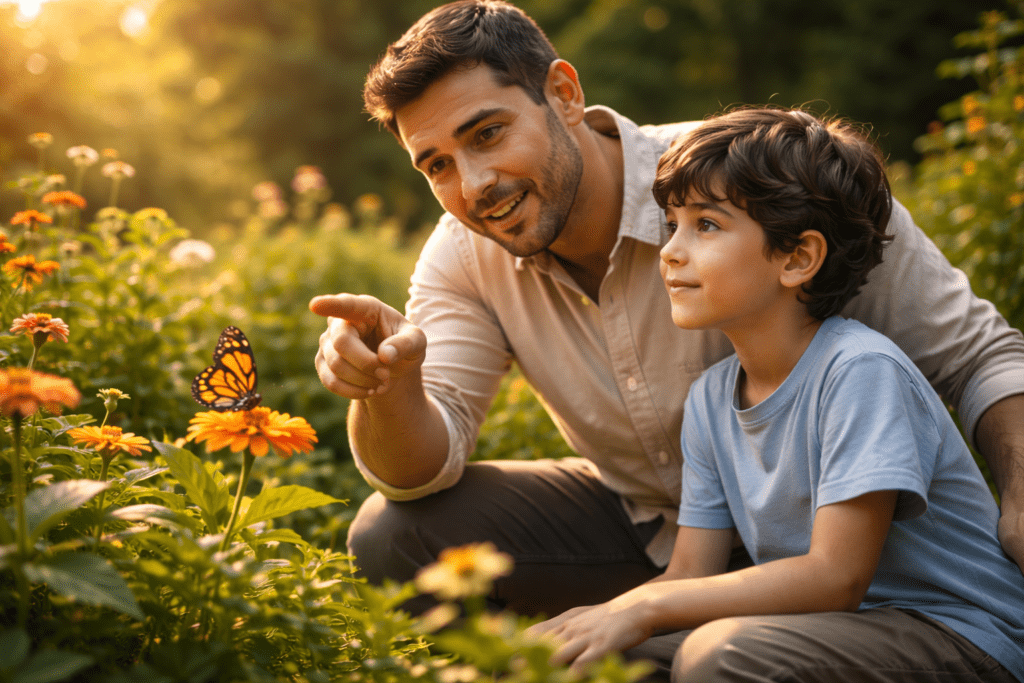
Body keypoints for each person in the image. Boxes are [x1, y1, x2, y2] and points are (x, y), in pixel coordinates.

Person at [309, 0, 1024, 618]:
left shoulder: (754, 176)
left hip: (843, 545)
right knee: (391, 532)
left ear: (562, 93)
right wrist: (389, 387)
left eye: (487, 134)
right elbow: (419, 470)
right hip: (661, 539)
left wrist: (1021, 496)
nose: (473, 185)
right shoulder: (462, 253)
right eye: (435, 164)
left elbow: (977, 356)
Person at [527, 106, 1024, 682]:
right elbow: (689, 572)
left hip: (964, 637)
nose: (670, 251)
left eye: (705, 226)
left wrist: (644, 608)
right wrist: (600, 619)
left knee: (721, 654)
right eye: (672, 225)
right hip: (828, 633)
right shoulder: (711, 400)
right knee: (593, 661)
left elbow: (836, 577)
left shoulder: (860, 371)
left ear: (797, 257)